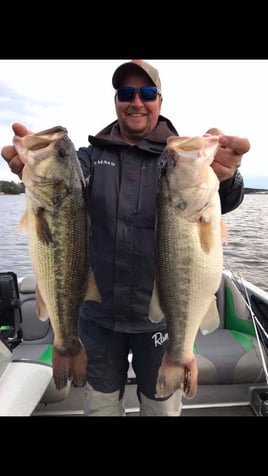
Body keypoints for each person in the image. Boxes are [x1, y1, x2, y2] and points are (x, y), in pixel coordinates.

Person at [1, 60, 250, 416]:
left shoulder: (176, 159)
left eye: (147, 93)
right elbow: (65, 187)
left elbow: (220, 201)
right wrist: (34, 169)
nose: (136, 101)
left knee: (160, 407)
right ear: (116, 100)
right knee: (100, 405)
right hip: (97, 316)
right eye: (126, 93)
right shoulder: (90, 158)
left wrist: (228, 179)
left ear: (160, 101)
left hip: (159, 317)